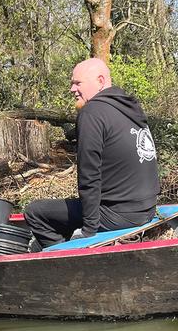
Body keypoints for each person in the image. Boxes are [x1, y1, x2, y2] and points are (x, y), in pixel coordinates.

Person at [24, 58, 160, 247]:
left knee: (35, 211)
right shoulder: (130, 108)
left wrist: (89, 229)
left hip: (120, 215)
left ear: (101, 81)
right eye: (72, 83)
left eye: (78, 83)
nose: (72, 89)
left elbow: (89, 176)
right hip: (147, 209)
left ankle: (67, 260)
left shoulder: (92, 113)